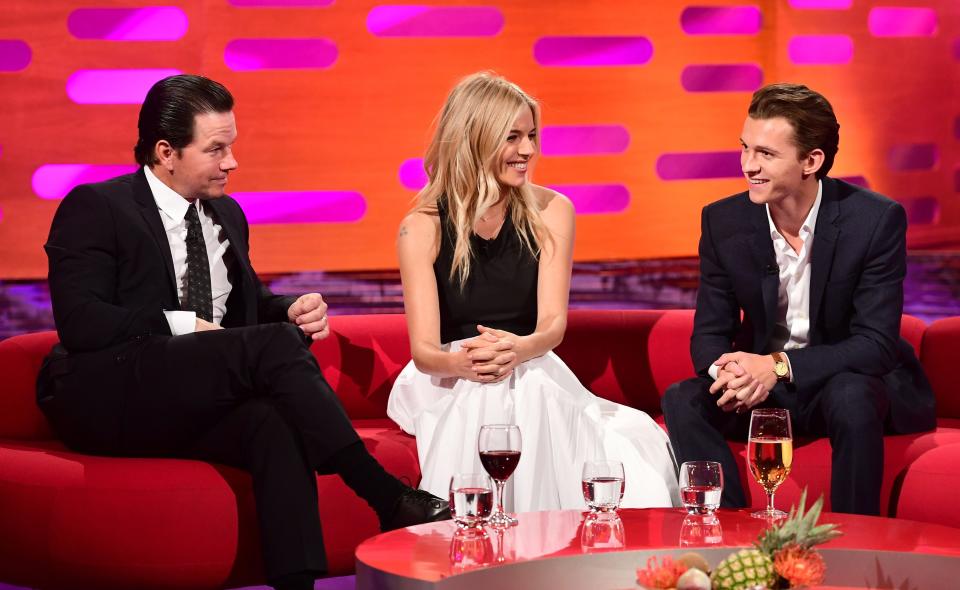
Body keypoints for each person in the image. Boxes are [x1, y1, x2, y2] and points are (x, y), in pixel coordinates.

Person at [36, 74, 449, 590]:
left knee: (271, 422)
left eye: (231, 147)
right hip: (111, 390)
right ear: (166, 152)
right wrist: (182, 324)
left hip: (191, 391)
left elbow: (242, 310)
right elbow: (81, 320)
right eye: (216, 150)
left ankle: (297, 583)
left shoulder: (226, 213)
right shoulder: (98, 207)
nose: (232, 163)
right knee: (270, 359)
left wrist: (287, 310)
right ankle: (384, 495)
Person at [387, 72, 678, 511]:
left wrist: (518, 350)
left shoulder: (553, 211)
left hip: (532, 361)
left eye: (532, 136)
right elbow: (425, 351)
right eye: (513, 137)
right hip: (449, 374)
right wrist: (467, 363)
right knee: (492, 394)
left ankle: (527, 538)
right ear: (475, 139)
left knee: (542, 399)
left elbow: (552, 326)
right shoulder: (421, 226)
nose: (528, 151)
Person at [661, 83, 936, 516]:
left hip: (842, 379)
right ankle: (726, 531)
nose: (748, 166)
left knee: (851, 395)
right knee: (683, 398)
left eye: (766, 154)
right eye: (745, 148)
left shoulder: (875, 221)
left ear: (811, 161)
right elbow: (709, 333)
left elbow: (876, 344)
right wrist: (732, 372)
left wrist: (776, 366)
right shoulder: (722, 221)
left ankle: (857, 543)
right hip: (766, 390)